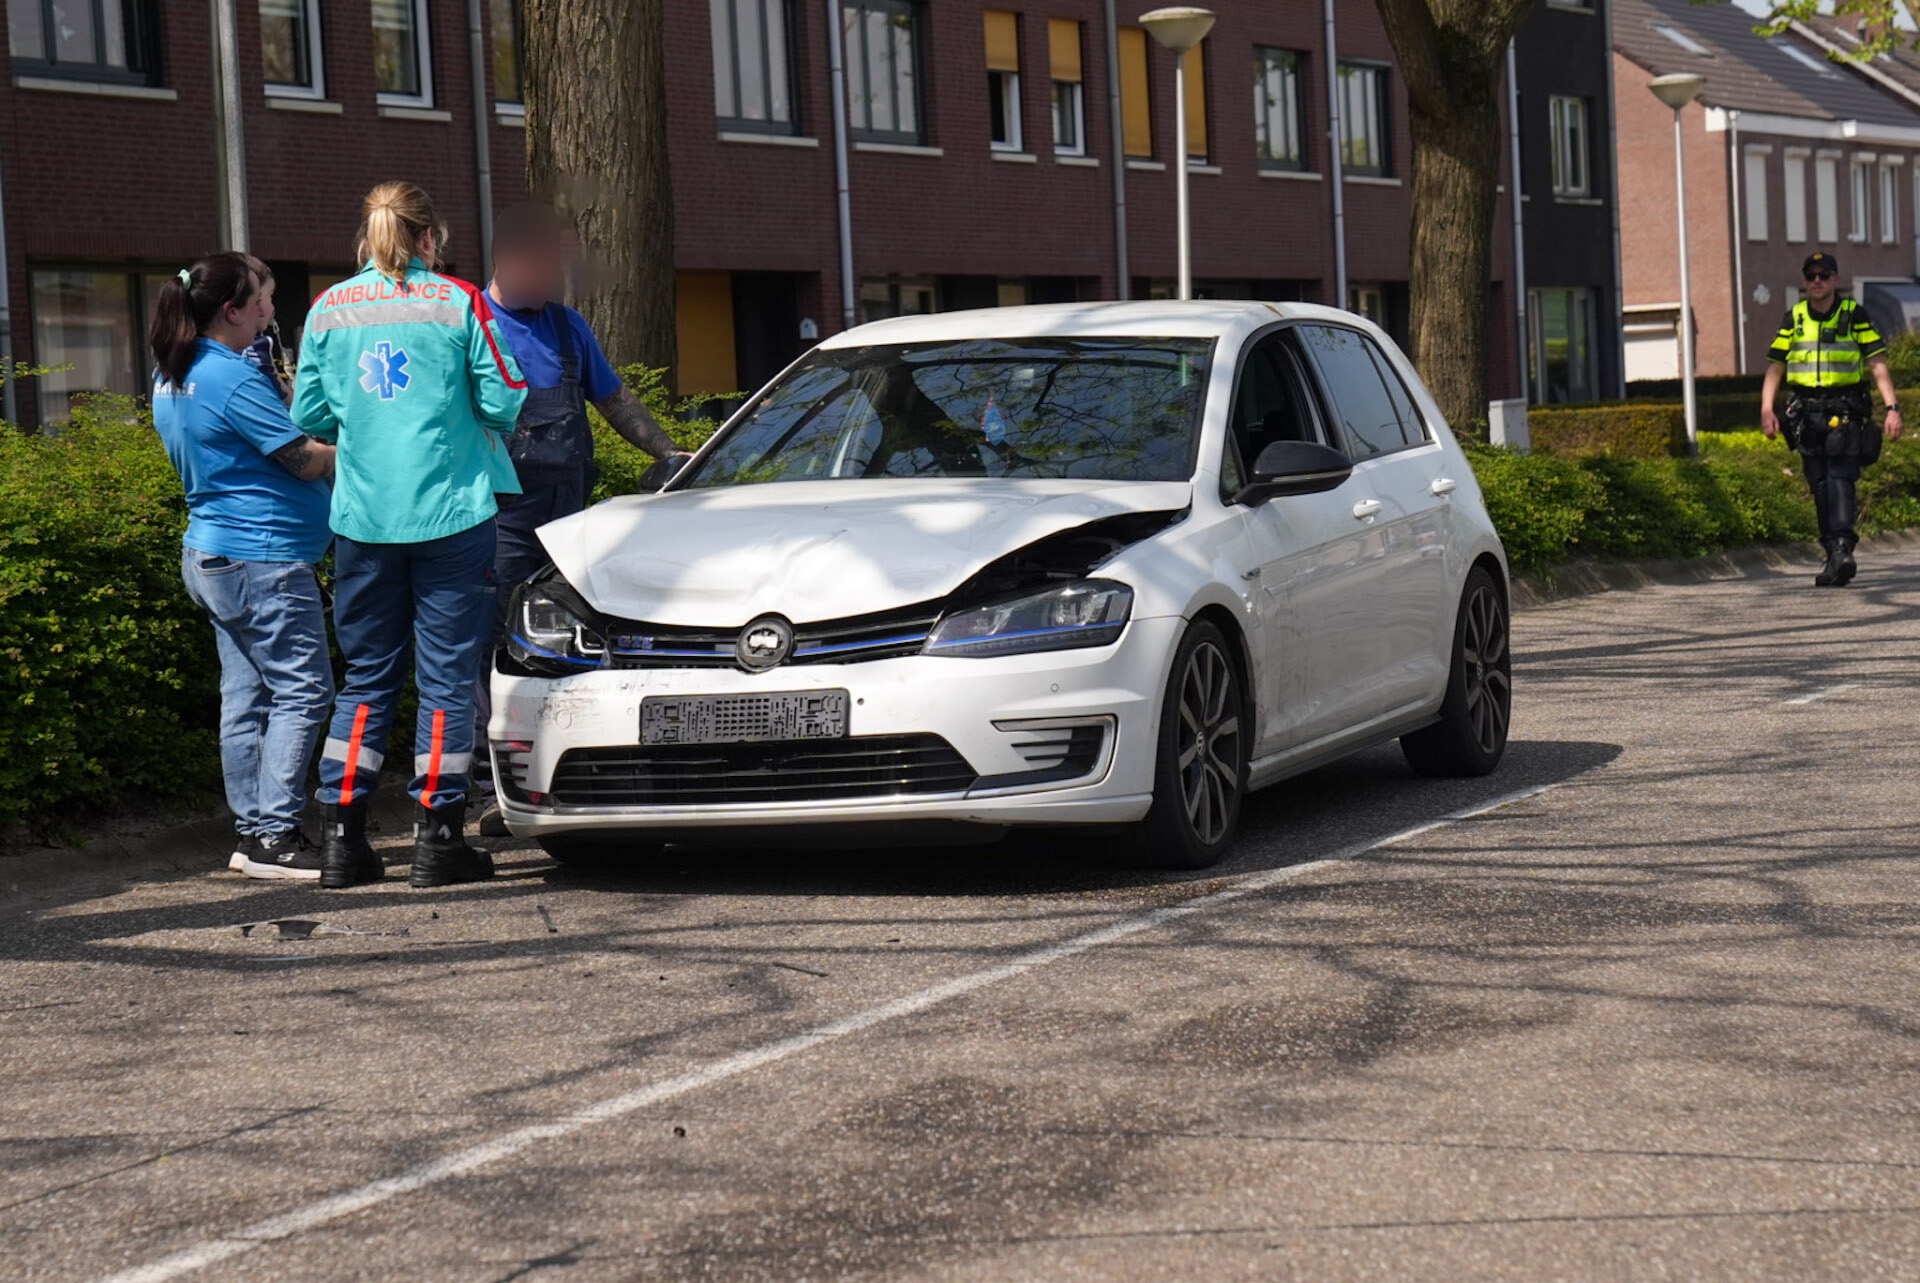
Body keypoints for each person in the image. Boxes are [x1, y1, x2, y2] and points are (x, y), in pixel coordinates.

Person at [293, 181, 529, 889]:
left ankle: (342, 836)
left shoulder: (327, 309)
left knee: (364, 678)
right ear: (430, 238)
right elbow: (504, 395)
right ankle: (438, 837)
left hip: (363, 520)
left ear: (368, 239)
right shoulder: (459, 301)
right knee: (448, 680)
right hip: (452, 514)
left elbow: (311, 410)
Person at [472, 202, 687, 834]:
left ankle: (578, 769)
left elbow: (613, 398)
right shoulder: (471, 324)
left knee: (573, 643)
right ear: (507, 260)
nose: (556, 279)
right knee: (492, 648)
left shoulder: (568, 327)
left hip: (567, 516)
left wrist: (671, 454)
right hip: (497, 518)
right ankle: (489, 787)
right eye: (546, 266)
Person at [150, 253, 337, 880]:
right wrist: (376, 448)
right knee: (305, 691)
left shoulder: (174, 372)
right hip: (263, 557)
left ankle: (254, 832)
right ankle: (278, 837)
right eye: (263, 300)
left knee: (247, 698)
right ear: (232, 309)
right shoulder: (228, 376)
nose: (270, 312)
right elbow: (302, 459)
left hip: (214, 553)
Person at [1760, 251, 1904, 587]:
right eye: (1811, 276)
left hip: (1845, 410)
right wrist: (1767, 409)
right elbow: (1775, 367)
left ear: (1836, 279)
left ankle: (1842, 546)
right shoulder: (1793, 318)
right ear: (1804, 281)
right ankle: (1833, 554)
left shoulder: (1854, 315)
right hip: (1806, 415)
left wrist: (1892, 409)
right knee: (1820, 484)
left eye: (1824, 275)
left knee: (1840, 478)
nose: (1817, 281)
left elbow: (1877, 364)